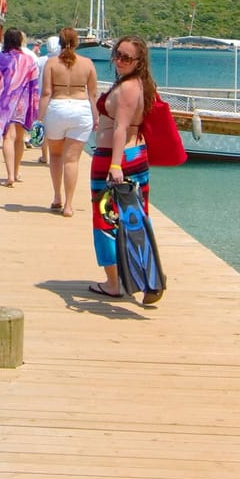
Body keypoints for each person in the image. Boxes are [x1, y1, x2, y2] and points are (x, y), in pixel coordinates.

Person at [88, 35, 155, 298]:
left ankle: (114, 283)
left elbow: (120, 127)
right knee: (136, 218)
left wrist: (114, 165)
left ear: (139, 62)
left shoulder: (128, 88)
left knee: (105, 219)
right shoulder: (139, 84)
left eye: (126, 57)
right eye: (117, 54)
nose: (119, 60)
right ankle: (145, 275)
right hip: (135, 155)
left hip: (115, 158)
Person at [39, 27, 97, 217]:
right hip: (81, 110)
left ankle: (57, 197)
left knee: (56, 156)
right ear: (77, 42)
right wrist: (96, 118)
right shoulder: (87, 63)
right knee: (72, 160)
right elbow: (93, 95)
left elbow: (46, 93)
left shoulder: (51, 64)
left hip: (58, 107)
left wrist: (39, 118)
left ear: (60, 43)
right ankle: (69, 206)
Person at [0, 28, 40, 186]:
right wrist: (34, 104)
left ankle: (10, 175)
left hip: (5, 103)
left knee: (8, 138)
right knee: (19, 138)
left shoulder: (0, 58)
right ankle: (16, 173)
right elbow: (34, 83)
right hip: (23, 103)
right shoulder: (28, 60)